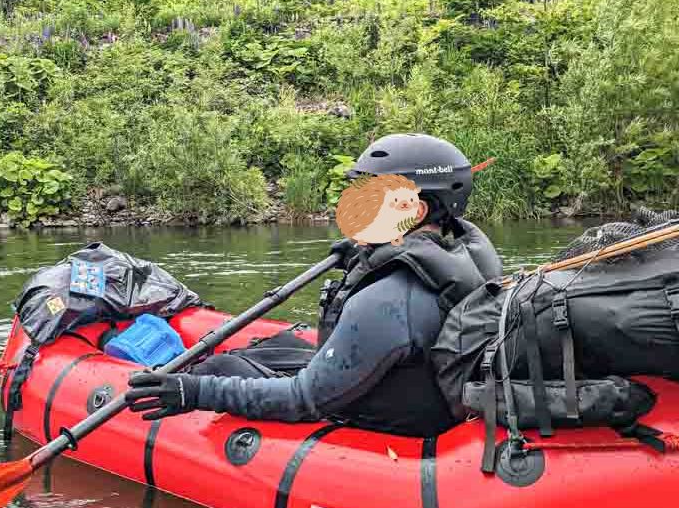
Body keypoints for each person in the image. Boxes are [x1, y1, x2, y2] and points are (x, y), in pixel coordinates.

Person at [124, 133, 503, 437]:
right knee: (279, 345)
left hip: (384, 422)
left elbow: (303, 398)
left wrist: (193, 391)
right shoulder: (464, 249)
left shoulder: (388, 300)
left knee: (221, 366)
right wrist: (368, 253)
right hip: (418, 391)